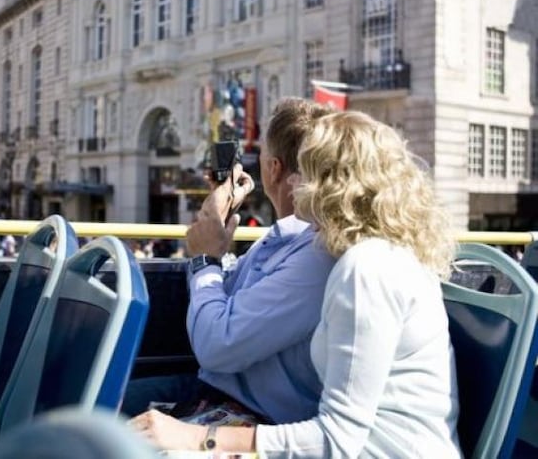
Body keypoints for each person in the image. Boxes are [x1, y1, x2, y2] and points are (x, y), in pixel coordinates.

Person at [131, 111, 462, 457]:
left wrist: (197, 437)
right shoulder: (374, 255)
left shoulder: (365, 269)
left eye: (304, 170)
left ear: (334, 185)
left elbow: (336, 440)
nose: (291, 183)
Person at [122, 98, 337, 424]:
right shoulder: (282, 237)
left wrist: (205, 259)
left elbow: (216, 345)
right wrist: (217, 220)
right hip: (216, 391)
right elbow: (230, 294)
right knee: (94, 400)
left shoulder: (315, 255)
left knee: (93, 415)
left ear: (273, 168)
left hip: (255, 414)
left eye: (261, 153)